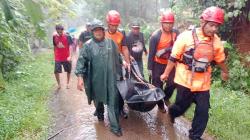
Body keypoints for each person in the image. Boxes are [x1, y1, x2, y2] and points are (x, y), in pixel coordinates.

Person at [160, 6, 229, 140]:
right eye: (211, 25)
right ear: (203, 22)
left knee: (203, 112)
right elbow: (173, 57)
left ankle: (195, 136)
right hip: (185, 81)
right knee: (180, 107)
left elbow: (220, 60)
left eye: (217, 26)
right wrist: (166, 74)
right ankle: (172, 114)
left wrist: (225, 72)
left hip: (203, 83)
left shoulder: (216, 42)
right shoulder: (185, 37)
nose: (214, 29)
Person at [75, 19, 123, 137]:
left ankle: (115, 127)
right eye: (95, 30)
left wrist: (124, 64)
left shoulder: (111, 43)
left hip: (111, 79)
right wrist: (80, 78)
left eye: (100, 30)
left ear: (103, 30)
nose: (98, 32)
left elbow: (118, 57)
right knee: (98, 99)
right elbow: (81, 62)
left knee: (113, 101)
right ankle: (100, 114)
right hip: (96, 79)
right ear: (92, 32)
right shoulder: (87, 46)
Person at [147, 11, 179, 112]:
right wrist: (149, 68)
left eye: (170, 23)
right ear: (162, 23)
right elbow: (151, 53)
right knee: (157, 85)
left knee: (173, 83)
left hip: (170, 63)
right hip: (158, 64)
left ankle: (165, 97)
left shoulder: (176, 33)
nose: (168, 25)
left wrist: (166, 49)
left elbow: (180, 45)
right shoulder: (156, 36)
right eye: (166, 23)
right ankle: (160, 105)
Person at [105, 10, 130, 118]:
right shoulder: (103, 33)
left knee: (120, 87)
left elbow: (124, 48)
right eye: (112, 25)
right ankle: (109, 108)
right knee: (107, 87)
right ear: (108, 23)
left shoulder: (121, 33)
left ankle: (121, 108)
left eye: (116, 25)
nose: (114, 27)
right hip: (105, 65)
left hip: (118, 65)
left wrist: (128, 62)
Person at [53, 24, 73, 89]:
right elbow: (55, 46)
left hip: (66, 57)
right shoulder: (54, 37)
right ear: (56, 31)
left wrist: (70, 56)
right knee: (56, 71)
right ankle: (59, 84)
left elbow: (70, 46)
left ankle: (68, 83)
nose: (59, 33)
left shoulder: (67, 36)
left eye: (60, 32)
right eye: (58, 32)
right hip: (58, 57)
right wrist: (54, 55)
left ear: (63, 30)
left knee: (68, 70)